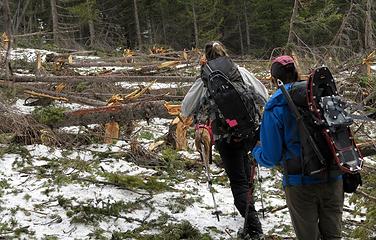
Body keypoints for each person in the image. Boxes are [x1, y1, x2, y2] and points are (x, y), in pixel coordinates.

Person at [180, 41, 268, 239]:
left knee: (238, 182)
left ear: (206, 57)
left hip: (225, 137)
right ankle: (249, 220)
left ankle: (254, 229)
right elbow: (264, 95)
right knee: (246, 176)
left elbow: (185, 108)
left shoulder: (206, 78)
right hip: (249, 131)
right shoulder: (240, 71)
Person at [252, 55, 344, 240]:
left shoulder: (275, 106)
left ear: (273, 79)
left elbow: (271, 157)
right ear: (297, 73)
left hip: (300, 183)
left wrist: (256, 152)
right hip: (334, 177)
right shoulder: (321, 94)